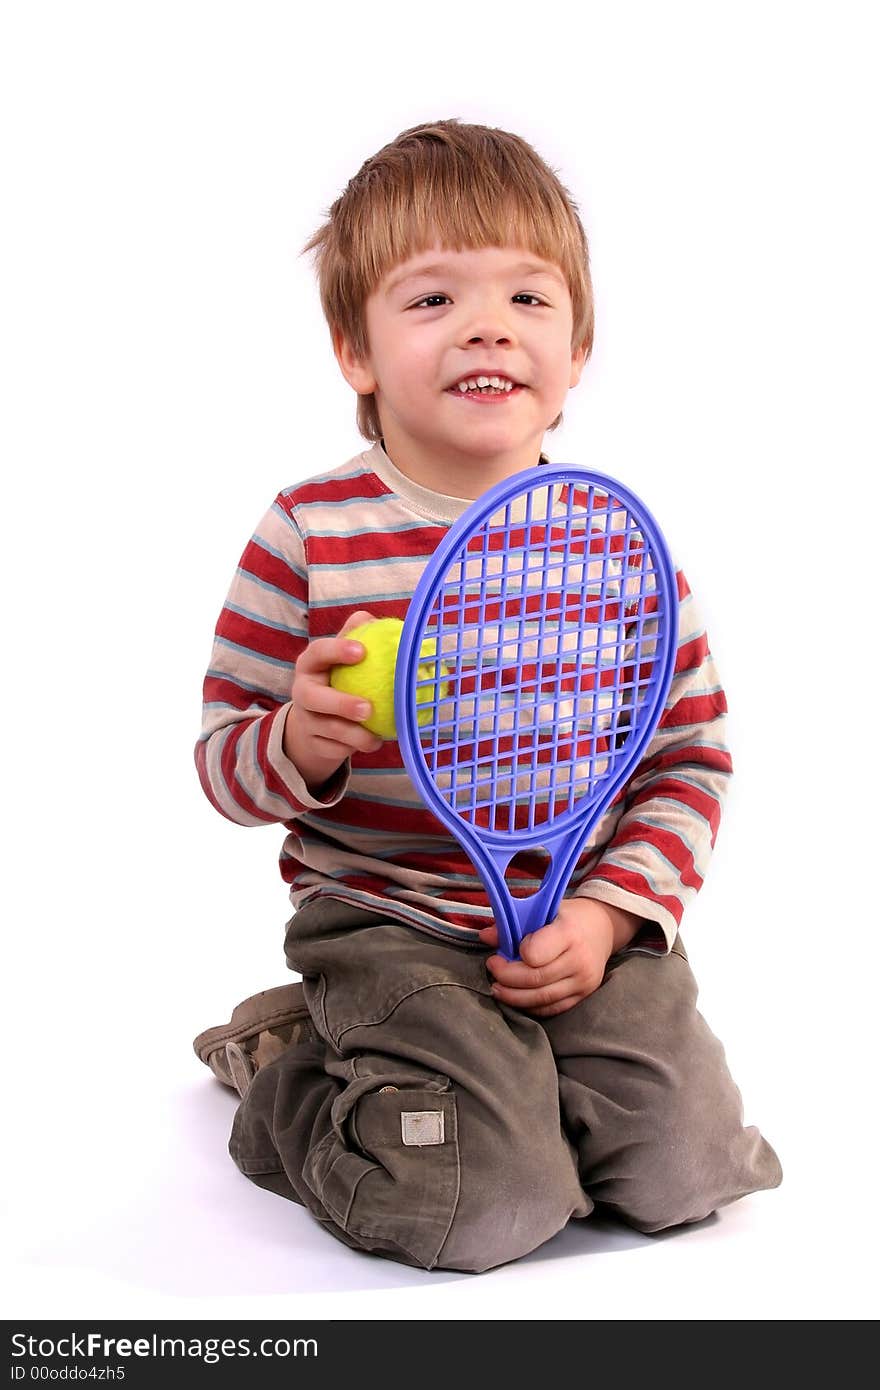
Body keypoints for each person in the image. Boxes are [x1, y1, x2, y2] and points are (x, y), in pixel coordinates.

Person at [192, 119, 781, 1272]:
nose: (486, 327)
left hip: (581, 924)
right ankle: (288, 1072)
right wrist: (296, 744)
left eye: (527, 297)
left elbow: (689, 762)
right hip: (389, 926)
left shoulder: (619, 551)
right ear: (351, 350)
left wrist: (607, 918)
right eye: (430, 301)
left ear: (578, 349)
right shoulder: (310, 534)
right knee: (483, 1207)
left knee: (686, 1170)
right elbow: (222, 758)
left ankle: (511, 1083)